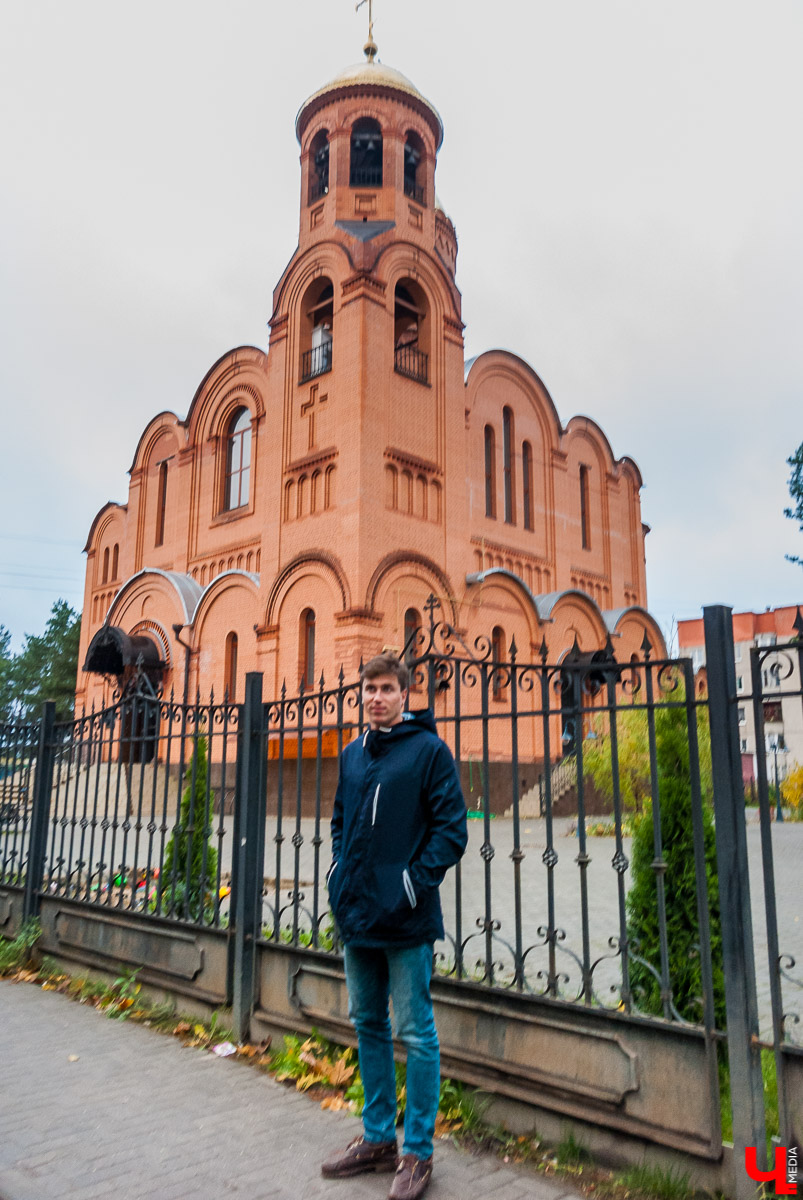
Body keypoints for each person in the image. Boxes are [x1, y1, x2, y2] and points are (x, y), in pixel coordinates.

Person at [321, 653, 468, 1200]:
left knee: (415, 1032)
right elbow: (341, 818)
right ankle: (380, 1138)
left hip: (406, 918)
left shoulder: (428, 752)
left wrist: (411, 884)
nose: (376, 697)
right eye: (369, 689)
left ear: (405, 694)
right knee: (367, 1023)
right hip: (357, 912)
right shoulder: (354, 754)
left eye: (386, 688)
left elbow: (452, 830)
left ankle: (418, 1152)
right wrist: (339, 870)